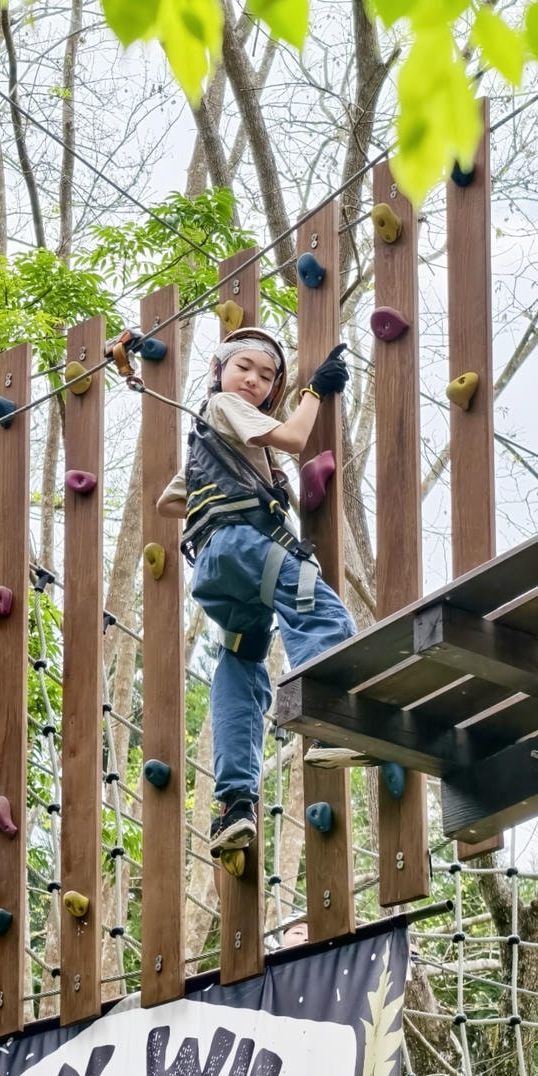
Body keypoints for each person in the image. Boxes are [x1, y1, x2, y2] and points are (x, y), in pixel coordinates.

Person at [157, 327, 367, 865]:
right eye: (243, 367)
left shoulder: (211, 438)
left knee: (241, 664)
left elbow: (170, 501)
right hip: (244, 544)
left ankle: (233, 805)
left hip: (214, 566)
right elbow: (296, 439)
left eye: (267, 376)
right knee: (317, 611)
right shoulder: (223, 405)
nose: (253, 380)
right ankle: (326, 723)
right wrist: (315, 391)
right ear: (218, 369)